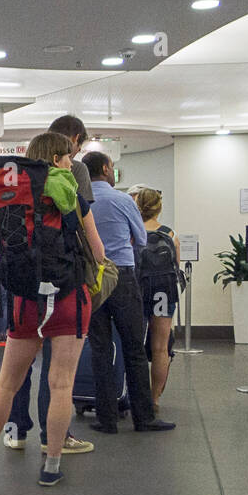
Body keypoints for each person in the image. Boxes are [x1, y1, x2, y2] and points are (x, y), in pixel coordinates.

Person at [0, 132, 103, 486]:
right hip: (67, 297)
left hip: (23, 297)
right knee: (61, 384)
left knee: (6, 384)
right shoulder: (63, 183)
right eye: (68, 157)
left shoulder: (0, 187)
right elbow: (97, 249)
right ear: (59, 157)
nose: (70, 163)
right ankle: (51, 468)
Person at [81, 151, 175, 434]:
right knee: (134, 348)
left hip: (92, 280)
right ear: (107, 169)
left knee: (100, 348)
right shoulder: (123, 200)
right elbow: (142, 239)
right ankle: (144, 417)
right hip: (122, 277)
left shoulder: (79, 202)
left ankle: (106, 418)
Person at [129, 185, 179, 413]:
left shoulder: (132, 233)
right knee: (160, 349)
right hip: (163, 293)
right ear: (159, 208)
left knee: (134, 346)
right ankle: (155, 398)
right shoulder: (170, 235)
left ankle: (134, 395)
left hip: (137, 292)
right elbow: (176, 268)